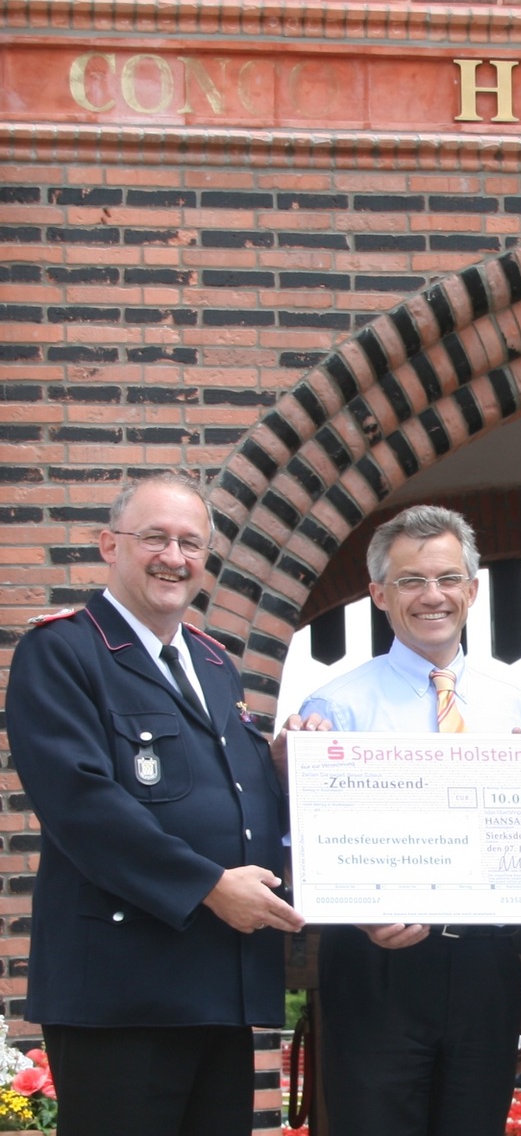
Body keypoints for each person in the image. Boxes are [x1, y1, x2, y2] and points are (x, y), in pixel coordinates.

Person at [6, 471, 316, 1136]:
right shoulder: (62, 652)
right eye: (155, 537)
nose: (174, 557)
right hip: (123, 992)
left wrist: (287, 770)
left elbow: (232, 793)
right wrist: (207, 884)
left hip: (219, 983)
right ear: (108, 545)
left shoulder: (213, 663)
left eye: (190, 542)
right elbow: (82, 804)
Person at [299, 504, 521, 1136]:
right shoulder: (333, 708)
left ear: (472, 588)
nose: (431, 596)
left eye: (447, 578)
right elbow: (306, 858)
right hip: (374, 969)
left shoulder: (517, 708)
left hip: (488, 969)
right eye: (411, 581)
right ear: (380, 593)